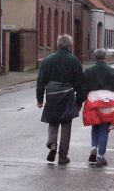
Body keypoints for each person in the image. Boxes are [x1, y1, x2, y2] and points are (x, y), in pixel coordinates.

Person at [36, 34, 84, 165]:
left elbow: (41, 80)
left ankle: (52, 144)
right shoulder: (74, 61)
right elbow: (80, 83)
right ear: (70, 46)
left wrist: (39, 98)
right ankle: (63, 156)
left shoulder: (48, 59)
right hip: (68, 94)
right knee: (66, 124)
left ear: (58, 45)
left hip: (51, 94)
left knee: (53, 120)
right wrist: (79, 101)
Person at [77, 48, 114, 167]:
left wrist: (78, 103)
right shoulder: (113, 72)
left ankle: (94, 148)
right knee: (104, 129)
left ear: (95, 58)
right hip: (108, 103)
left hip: (93, 101)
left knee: (95, 126)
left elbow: (83, 89)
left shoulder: (88, 72)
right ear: (105, 57)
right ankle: (100, 156)